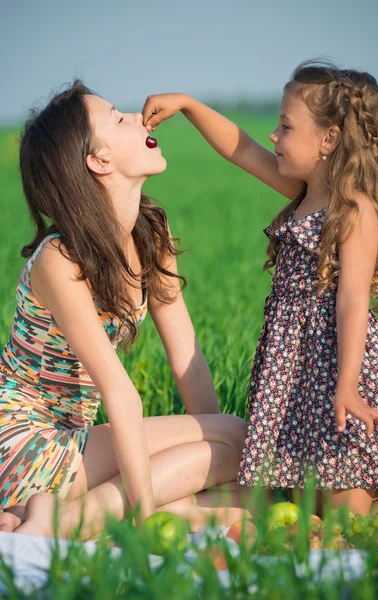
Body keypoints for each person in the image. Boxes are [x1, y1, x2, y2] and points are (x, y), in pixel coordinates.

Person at [141, 59, 378, 516]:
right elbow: (239, 148)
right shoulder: (302, 191)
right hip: (295, 375)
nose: (273, 136)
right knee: (304, 503)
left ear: (329, 139)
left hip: (336, 367)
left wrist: (346, 385)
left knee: (348, 498)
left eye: (285, 126)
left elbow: (353, 301)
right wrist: (188, 105)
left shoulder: (354, 208)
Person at [0, 81, 250, 540]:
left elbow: (187, 360)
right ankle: (73, 519)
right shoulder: (61, 260)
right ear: (99, 160)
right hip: (24, 443)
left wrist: (219, 457)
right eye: (118, 118)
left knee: (239, 476)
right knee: (237, 438)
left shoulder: (150, 235)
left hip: (76, 446)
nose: (138, 118)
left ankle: (59, 514)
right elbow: (120, 394)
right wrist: (222, 445)